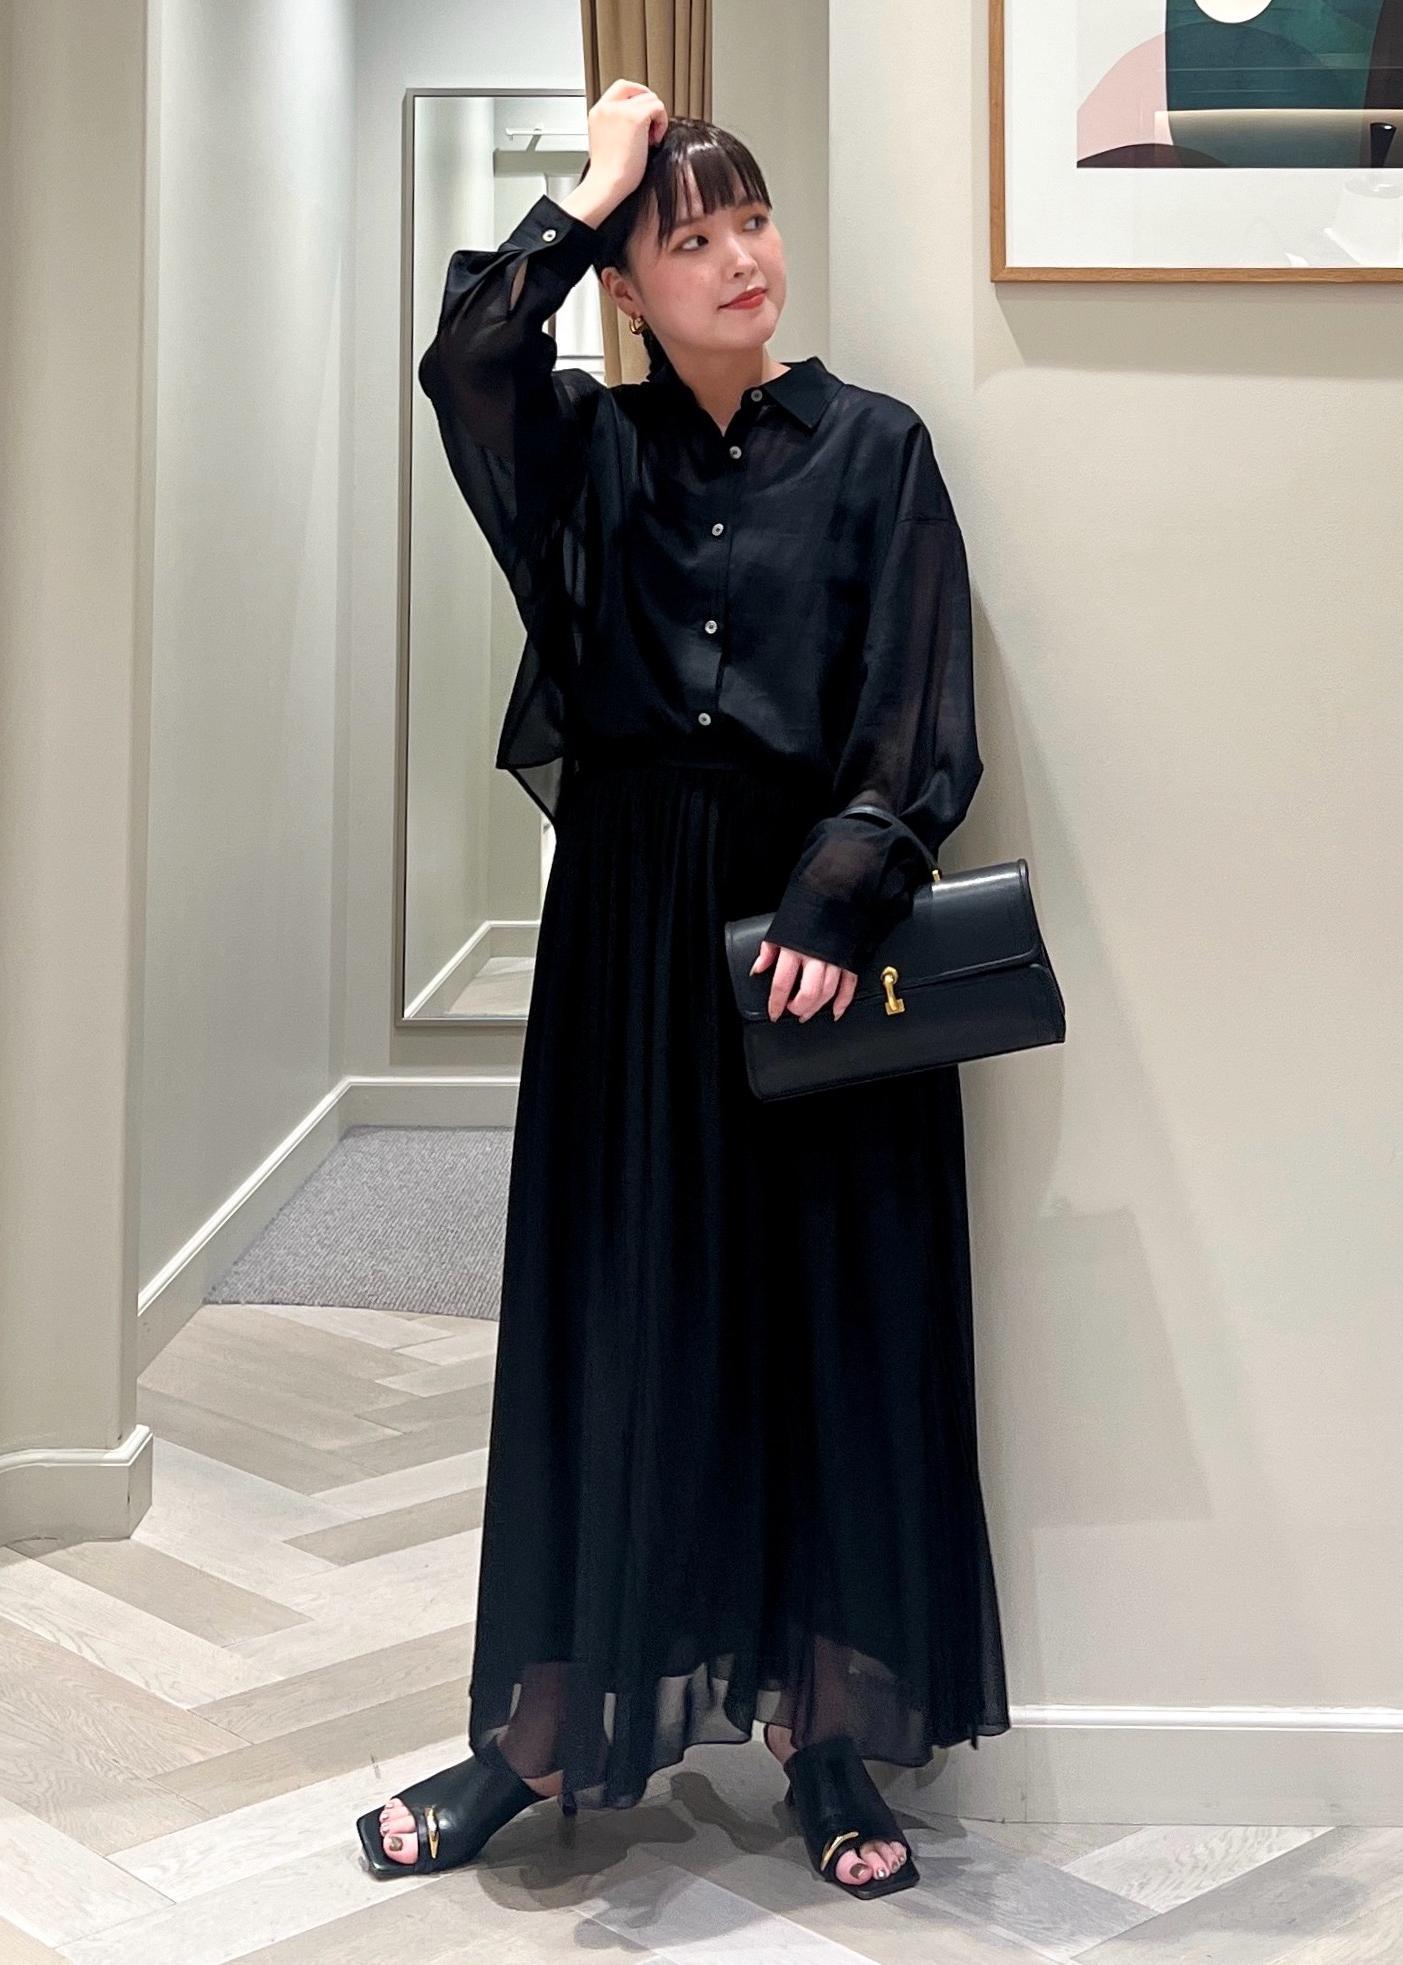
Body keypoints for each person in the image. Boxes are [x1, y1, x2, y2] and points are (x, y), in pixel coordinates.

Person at [356, 77, 1009, 1899]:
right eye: (692, 235)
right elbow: (465, 362)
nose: (740, 258)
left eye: (753, 220)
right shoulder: (588, 448)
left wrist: (839, 889)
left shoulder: (875, 448)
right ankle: (539, 1734)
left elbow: (918, 705)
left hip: (818, 943)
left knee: (826, 1319)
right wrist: (597, 187)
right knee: (621, 1310)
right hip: (632, 941)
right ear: (631, 287)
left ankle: (830, 1731)